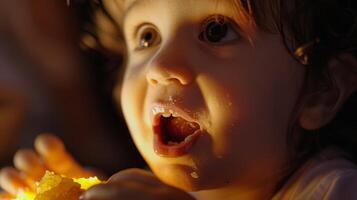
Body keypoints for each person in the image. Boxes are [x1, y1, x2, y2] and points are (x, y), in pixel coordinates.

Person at [1, 0, 357, 199]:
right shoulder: (155, 191)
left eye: (216, 32)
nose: (160, 65)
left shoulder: (334, 190)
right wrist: (86, 192)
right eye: (147, 37)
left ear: (320, 91)